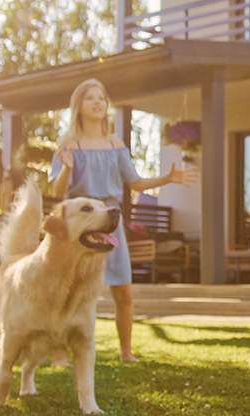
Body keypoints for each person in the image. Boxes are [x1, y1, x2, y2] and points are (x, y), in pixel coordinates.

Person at [48, 78, 194, 362]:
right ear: (79, 105)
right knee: (68, 291)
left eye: (101, 98)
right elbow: (57, 191)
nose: (98, 102)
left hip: (110, 221)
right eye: (90, 98)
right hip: (81, 223)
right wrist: (66, 168)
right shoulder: (68, 145)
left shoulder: (116, 144)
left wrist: (167, 178)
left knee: (124, 292)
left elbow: (135, 182)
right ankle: (58, 352)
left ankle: (126, 352)